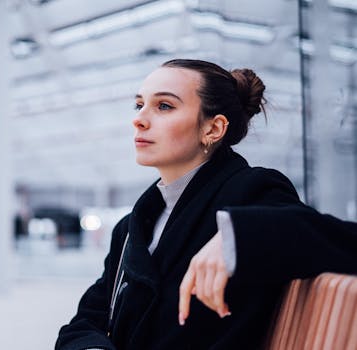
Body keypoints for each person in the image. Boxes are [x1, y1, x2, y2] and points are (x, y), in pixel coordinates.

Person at [55, 59, 357, 350]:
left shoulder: (251, 190)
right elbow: (88, 318)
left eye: (164, 106)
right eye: (139, 104)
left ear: (213, 129)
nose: (139, 118)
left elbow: (343, 241)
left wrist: (238, 236)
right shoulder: (131, 229)